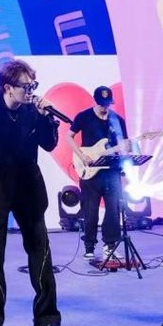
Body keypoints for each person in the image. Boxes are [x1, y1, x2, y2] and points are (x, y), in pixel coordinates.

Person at [0, 58, 68, 326]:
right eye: (26, 86)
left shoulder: (33, 111)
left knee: (41, 253)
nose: (31, 91)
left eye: (33, 85)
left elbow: (49, 144)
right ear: (8, 87)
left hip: (28, 189)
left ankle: (47, 320)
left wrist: (47, 118)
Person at [63, 86, 130, 261]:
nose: (104, 107)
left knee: (113, 210)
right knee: (90, 211)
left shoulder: (117, 120)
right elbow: (68, 136)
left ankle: (110, 246)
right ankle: (89, 246)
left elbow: (124, 144)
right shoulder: (83, 116)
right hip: (90, 171)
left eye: (107, 104)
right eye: (101, 103)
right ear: (95, 100)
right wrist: (81, 155)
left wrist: (126, 148)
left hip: (111, 171)